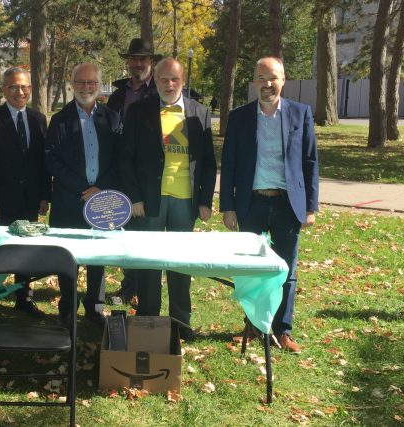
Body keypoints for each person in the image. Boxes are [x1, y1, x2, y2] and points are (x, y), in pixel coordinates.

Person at [220, 56, 319, 353]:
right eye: (261, 78)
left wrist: (311, 207)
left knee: (286, 270)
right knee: (250, 269)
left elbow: (310, 161)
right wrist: (228, 206)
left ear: (283, 79)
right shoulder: (239, 117)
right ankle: (251, 325)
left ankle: (282, 329)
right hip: (251, 203)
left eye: (272, 77)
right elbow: (230, 163)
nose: (267, 84)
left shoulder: (300, 114)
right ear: (254, 82)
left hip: (288, 204)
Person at [119, 57, 217, 342]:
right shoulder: (139, 111)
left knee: (179, 263)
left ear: (183, 81)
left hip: (185, 201)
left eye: (174, 79)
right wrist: (134, 197)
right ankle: (148, 317)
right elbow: (126, 159)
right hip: (150, 200)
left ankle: (180, 320)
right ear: (156, 80)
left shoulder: (199, 112)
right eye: (164, 79)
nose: (169, 84)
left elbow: (208, 162)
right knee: (149, 262)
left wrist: (205, 200)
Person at [45, 62, 121, 327]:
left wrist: (99, 189)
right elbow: (51, 160)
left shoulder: (112, 118)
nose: (86, 87)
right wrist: (81, 188)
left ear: (99, 86)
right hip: (70, 199)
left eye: (91, 83)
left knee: (97, 256)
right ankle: (67, 308)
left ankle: (95, 307)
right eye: (81, 82)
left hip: (103, 200)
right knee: (69, 255)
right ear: (72, 84)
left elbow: (119, 160)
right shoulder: (59, 119)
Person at [0, 67, 52, 317]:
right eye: (14, 87)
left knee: (24, 249)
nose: (20, 92)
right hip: (1, 200)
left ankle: (24, 297)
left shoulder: (38, 119)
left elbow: (43, 162)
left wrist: (44, 195)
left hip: (30, 199)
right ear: (4, 90)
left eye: (24, 87)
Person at [106, 38, 160, 304]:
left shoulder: (158, 93)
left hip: (147, 174)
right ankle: (130, 285)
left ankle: (144, 288)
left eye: (144, 59)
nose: (138, 64)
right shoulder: (118, 95)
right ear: (128, 61)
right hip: (118, 171)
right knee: (123, 230)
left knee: (145, 232)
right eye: (134, 59)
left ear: (151, 62)